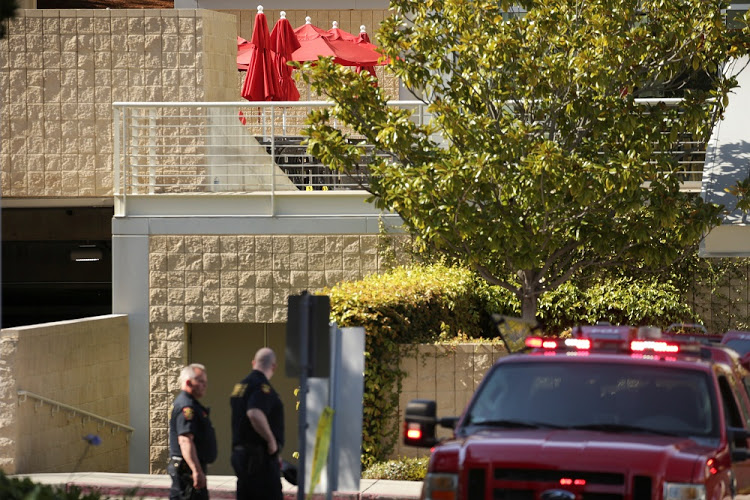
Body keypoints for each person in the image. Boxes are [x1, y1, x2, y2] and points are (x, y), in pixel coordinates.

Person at [230, 347, 285, 500]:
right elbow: (254, 413)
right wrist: (271, 442)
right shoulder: (262, 387)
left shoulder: (240, 387)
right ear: (274, 366)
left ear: (253, 363)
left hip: (242, 456)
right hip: (259, 460)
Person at [168, 363, 218, 500]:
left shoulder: (191, 404)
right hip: (187, 471)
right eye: (201, 381)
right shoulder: (186, 406)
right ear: (189, 382)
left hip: (189, 468)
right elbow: (185, 440)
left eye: (205, 382)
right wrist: (196, 471)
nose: (205, 385)